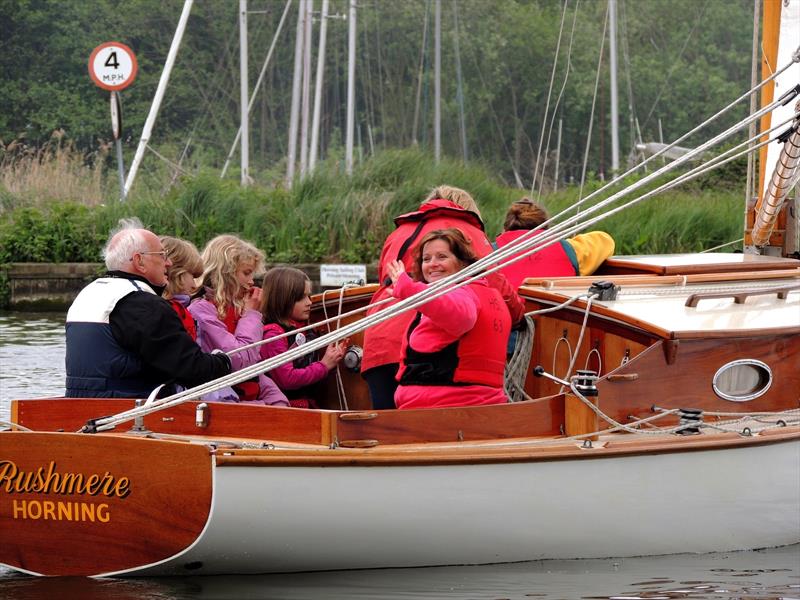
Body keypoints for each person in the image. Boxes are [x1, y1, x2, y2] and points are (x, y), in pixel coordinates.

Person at [361, 185, 524, 410]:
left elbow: (387, 280)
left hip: (378, 340)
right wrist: (518, 316)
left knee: (388, 432)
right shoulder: (464, 232)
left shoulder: (398, 233)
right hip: (432, 353)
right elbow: (494, 284)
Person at [65, 218, 232, 398]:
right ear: (139, 261)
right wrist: (224, 361)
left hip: (79, 406)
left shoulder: (87, 294)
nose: (168, 263)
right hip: (130, 411)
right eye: (162, 255)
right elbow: (193, 370)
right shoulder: (145, 305)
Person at [386, 228, 510, 409]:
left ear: (461, 262)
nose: (432, 264)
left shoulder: (463, 294)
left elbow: (461, 316)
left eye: (442, 257)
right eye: (426, 259)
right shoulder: (478, 292)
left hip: (447, 411)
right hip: (463, 407)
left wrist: (409, 289)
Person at [189, 235, 289, 407]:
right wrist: (252, 314)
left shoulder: (235, 309)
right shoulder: (202, 310)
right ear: (225, 273)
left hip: (250, 395)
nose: (251, 282)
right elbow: (240, 360)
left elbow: (255, 371)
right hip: (224, 402)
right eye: (246, 273)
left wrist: (279, 402)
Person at [259, 267, 347, 407]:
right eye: (301, 297)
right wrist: (324, 365)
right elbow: (287, 379)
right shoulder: (273, 335)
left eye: (309, 296)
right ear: (283, 299)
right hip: (288, 409)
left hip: (310, 405)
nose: (309, 302)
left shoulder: (305, 329)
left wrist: (333, 359)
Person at [495, 198, 615, 289]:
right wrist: (567, 243)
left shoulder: (488, 254)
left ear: (505, 229)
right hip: (556, 317)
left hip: (512, 319)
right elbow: (606, 240)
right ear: (545, 227)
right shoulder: (568, 250)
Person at [160, 236, 204, 340]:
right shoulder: (166, 313)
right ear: (175, 272)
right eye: (192, 276)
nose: (194, 285)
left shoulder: (181, 308)